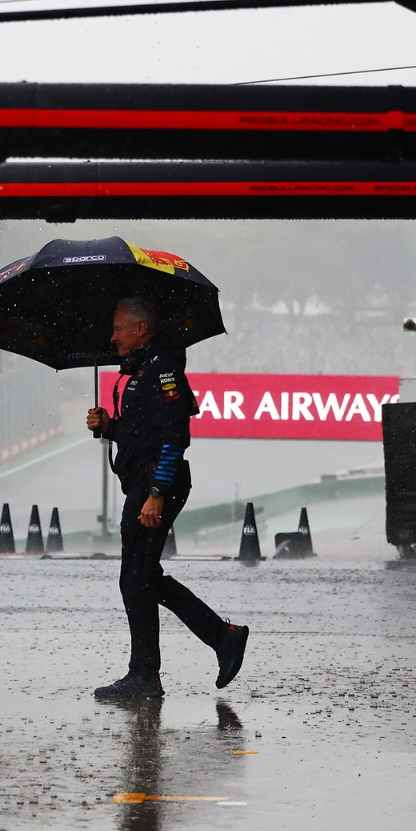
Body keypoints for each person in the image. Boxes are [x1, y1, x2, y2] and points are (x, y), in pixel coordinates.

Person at [85, 295, 248, 699]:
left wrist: (157, 492)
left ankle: (153, 671)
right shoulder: (139, 368)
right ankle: (211, 642)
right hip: (143, 482)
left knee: (137, 578)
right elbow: (143, 432)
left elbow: (175, 436)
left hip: (159, 484)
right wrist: (110, 426)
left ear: (140, 328)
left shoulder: (164, 368)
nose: (113, 336)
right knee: (139, 579)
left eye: (119, 328)